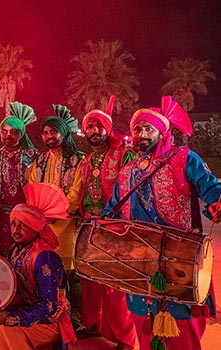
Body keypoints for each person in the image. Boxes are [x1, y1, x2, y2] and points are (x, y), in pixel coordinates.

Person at [102, 96, 221, 350]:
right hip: (138, 260)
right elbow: (112, 208)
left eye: (148, 129)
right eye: (137, 129)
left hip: (178, 258)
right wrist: (101, 227)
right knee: (142, 323)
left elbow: (210, 187)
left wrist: (216, 202)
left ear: (162, 132)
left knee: (182, 332)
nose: (141, 134)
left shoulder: (184, 158)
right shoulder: (128, 170)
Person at [0, 183, 77, 350]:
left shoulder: (44, 257)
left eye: (23, 225)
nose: (16, 230)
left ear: (35, 227)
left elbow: (49, 306)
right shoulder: (17, 249)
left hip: (49, 322)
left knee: (6, 329)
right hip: (26, 310)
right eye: (13, 224)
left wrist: (10, 317)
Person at [78, 97, 137, 349]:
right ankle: (93, 326)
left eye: (99, 126)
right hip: (90, 225)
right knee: (91, 280)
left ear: (108, 128)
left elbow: (131, 190)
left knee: (116, 285)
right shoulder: (86, 160)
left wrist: (119, 223)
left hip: (116, 228)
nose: (94, 131)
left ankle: (123, 337)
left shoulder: (124, 155)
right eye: (90, 127)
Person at [27, 104, 85, 332]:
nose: (49, 136)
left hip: (68, 227)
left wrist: (56, 212)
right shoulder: (39, 161)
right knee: (48, 274)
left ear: (64, 133)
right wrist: (40, 213)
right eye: (45, 132)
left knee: (71, 277)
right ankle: (52, 318)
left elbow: (76, 192)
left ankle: (75, 321)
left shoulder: (78, 161)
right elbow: (32, 188)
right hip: (44, 228)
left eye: (54, 132)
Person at [0, 102, 38, 256]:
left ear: (21, 134)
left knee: (24, 253)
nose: (8, 135)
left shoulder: (33, 156)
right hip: (2, 215)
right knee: (1, 254)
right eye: (4, 132)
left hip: (24, 215)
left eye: (13, 132)